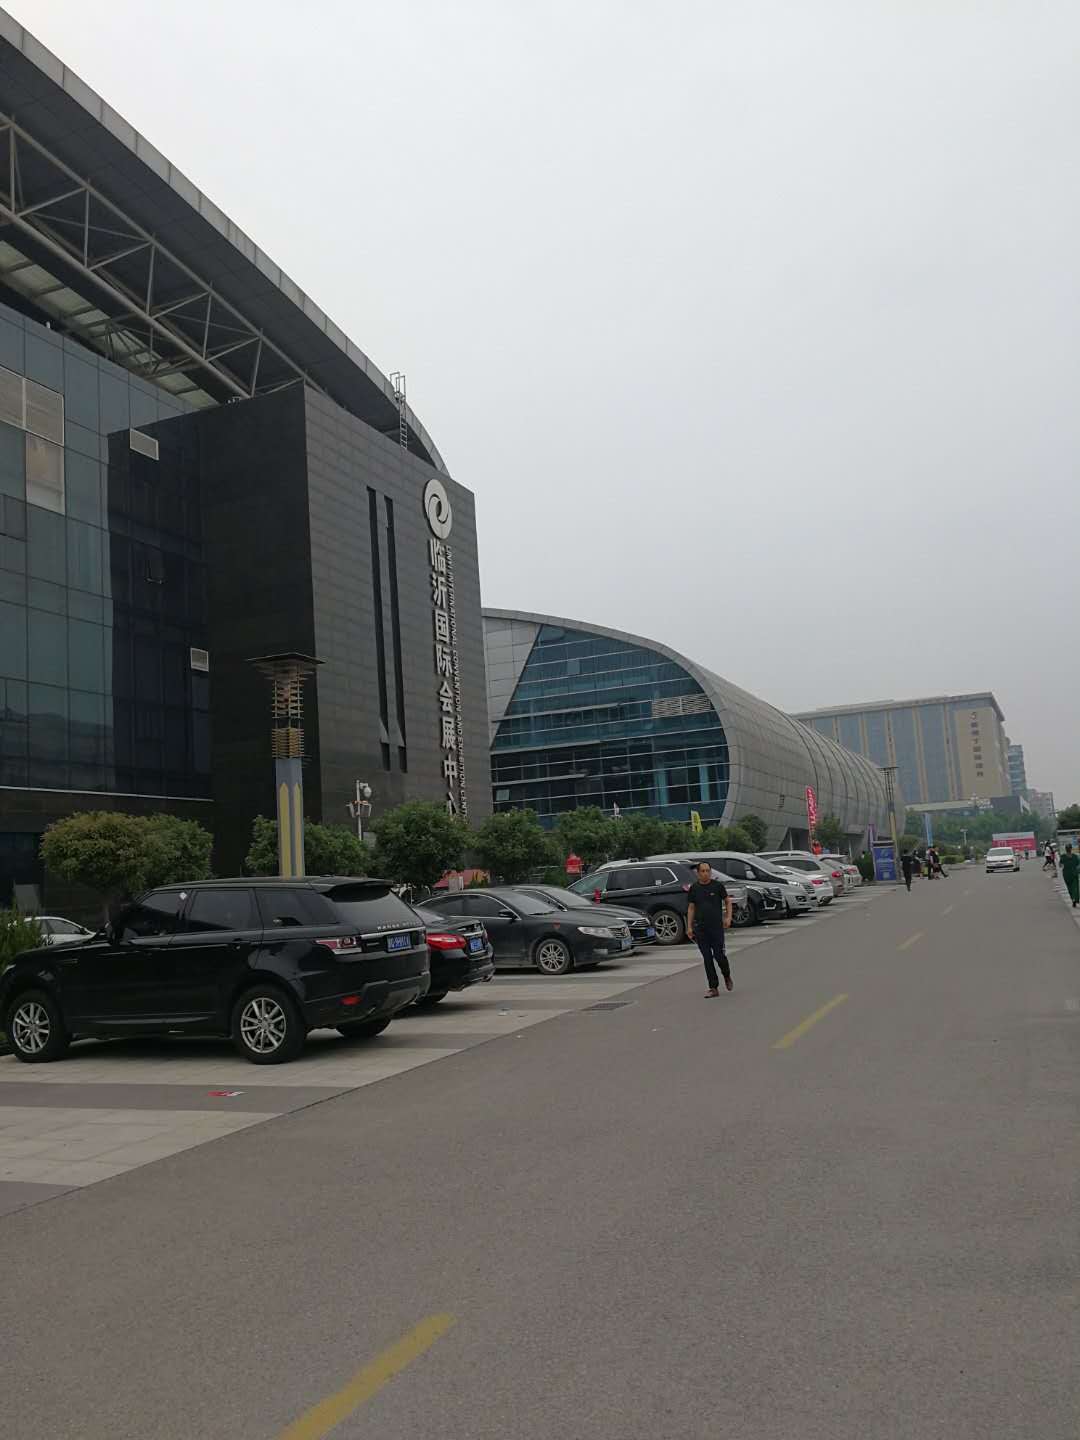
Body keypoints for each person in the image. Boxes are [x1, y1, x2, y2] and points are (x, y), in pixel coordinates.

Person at [686, 860, 733, 997]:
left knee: (719, 956)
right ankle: (713, 987)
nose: (706, 873)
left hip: (716, 928)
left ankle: (726, 975)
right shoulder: (694, 888)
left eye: (708, 871)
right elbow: (691, 908)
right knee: (707, 958)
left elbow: (728, 901)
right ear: (698, 873)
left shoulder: (717, 886)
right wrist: (689, 927)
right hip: (701, 929)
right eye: (703, 871)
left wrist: (728, 917)